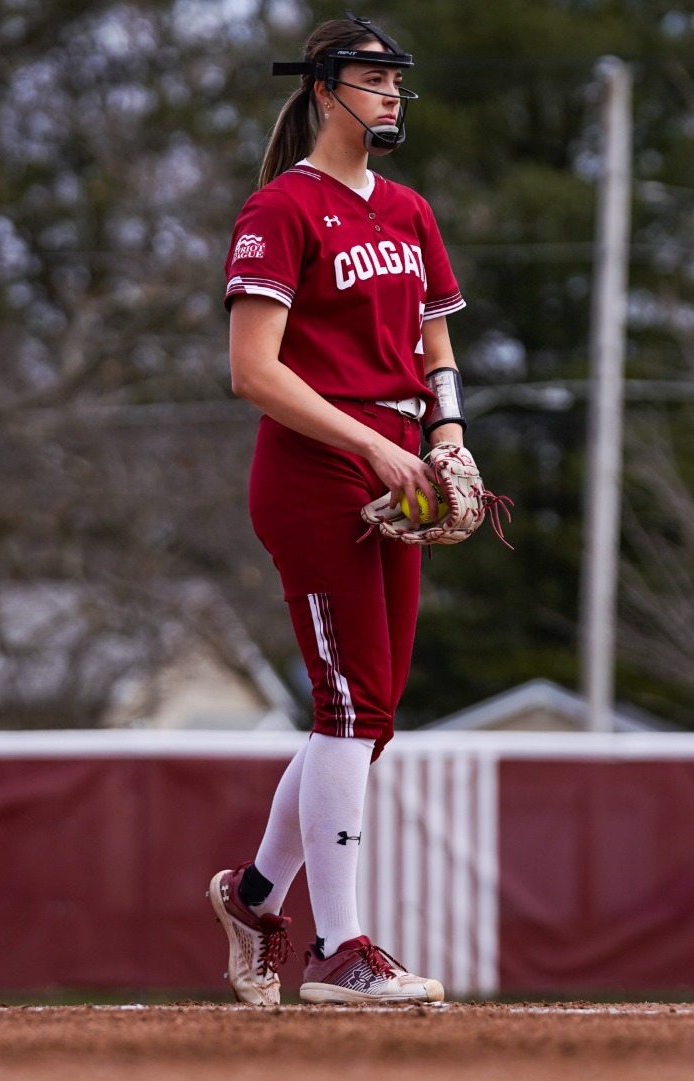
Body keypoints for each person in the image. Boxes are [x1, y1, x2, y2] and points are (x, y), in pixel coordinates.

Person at [207, 12, 486, 1005]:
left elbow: (435, 346)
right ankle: (338, 947)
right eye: (372, 79)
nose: (391, 94)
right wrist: (369, 442)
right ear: (324, 88)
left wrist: (443, 437)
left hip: (398, 458)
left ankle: (251, 900)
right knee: (348, 707)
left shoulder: (408, 211)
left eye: (395, 81)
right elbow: (251, 371)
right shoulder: (280, 208)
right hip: (316, 464)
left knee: (367, 720)